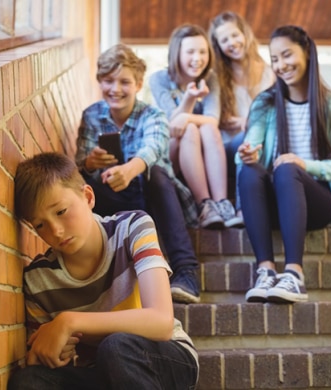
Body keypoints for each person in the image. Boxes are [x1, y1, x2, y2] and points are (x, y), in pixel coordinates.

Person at [7, 152, 199, 390]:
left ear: (88, 197)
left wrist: (69, 322)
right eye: (39, 225)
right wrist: (54, 353)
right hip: (100, 373)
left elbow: (161, 322)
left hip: (161, 356)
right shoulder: (38, 280)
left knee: (116, 347)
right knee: (29, 381)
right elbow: (43, 359)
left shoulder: (132, 228)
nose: (55, 231)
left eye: (60, 211)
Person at [75, 43, 200, 304]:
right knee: (83, 185)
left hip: (155, 198)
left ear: (138, 84)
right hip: (114, 198)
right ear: (99, 81)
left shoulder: (153, 115)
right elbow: (80, 163)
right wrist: (90, 163)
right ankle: (97, 271)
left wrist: (129, 170)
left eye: (124, 82)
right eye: (109, 81)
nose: (116, 89)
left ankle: (186, 270)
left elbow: (153, 148)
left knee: (156, 173)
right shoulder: (92, 115)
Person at [237, 25, 331, 303]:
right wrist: (248, 152)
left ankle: (293, 274)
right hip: (276, 204)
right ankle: (265, 270)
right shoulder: (266, 103)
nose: (281, 65)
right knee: (250, 171)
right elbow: (253, 141)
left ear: (307, 52)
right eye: (275, 59)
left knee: (288, 168)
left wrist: (303, 164)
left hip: (316, 203)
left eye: (287, 55)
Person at [149, 24, 241, 229]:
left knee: (205, 128)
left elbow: (212, 120)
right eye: (190, 51)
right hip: (168, 152)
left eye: (202, 51)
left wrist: (186, 117)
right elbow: (173, 127)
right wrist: (189, 99)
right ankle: (204, 205)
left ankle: (221, 203)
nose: (197, 58)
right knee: (189, 128)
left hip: (201, 150)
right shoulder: (159, 80)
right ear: (177, 53)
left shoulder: (210, 79)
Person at [209, 11, 276, 225]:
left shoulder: (268, 72)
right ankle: (241, 210)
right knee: (245, 139)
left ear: (245, 34)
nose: (232, 43)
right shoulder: (216, 76)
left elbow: (274, 115)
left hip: (264, 144)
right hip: (230, 146)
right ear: (218, 46)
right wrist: (249, 122)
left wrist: (246, 119)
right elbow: (220, 118)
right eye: (224, 40)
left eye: (235, 35)